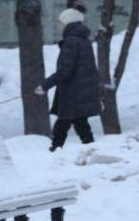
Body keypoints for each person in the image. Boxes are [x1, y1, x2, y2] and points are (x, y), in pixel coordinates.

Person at [37, 8, 101, 151]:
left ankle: (55, 150)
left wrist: (44, 86)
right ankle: (90, 148)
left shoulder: (71, 42)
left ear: (68, 23)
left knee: (64, 122)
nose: (59, 25)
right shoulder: (84, 41)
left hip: (72, 92)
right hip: (81, 90)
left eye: (61, 22)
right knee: (79, 122)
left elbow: (64, 71)